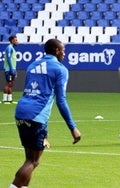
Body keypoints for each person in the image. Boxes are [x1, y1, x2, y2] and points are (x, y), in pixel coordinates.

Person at [9, 39, 81, 188]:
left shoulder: (32, 65)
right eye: (63, 50)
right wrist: (72, 127)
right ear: (56, 51)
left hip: (21, 111)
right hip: (37, 115)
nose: (64, 53)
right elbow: (61, 101)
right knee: (33, 161)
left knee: (29, 159)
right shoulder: (60, 70)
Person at [3, 35, 18, 104]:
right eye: (16, 40)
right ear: (12, 41)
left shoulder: (12, 48)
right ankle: (4, 100)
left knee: (11, 84)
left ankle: (10, 100)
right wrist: (11, 68)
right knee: (8, 83)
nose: (17, 41)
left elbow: (13, 60)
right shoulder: (9, 48)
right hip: (9, 69)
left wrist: (15, 70)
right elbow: (9, 59)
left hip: (12, 69)